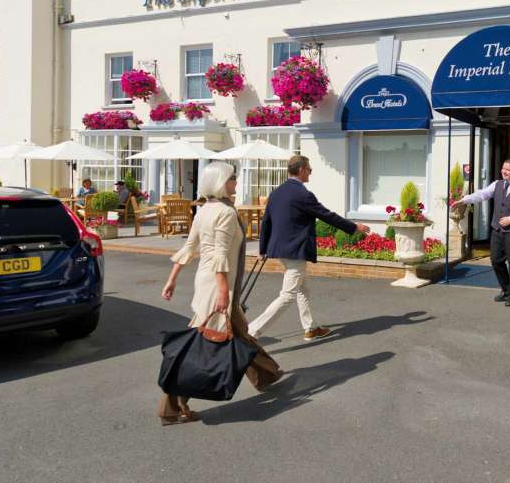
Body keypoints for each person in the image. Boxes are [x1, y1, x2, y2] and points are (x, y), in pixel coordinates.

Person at [159, 161, 282, 426]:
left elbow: (190, 246)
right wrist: (224, 293)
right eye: (232, 179)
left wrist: (172, 279)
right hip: (218, 285)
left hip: (209, 282)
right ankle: (171, 406)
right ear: (220, 182)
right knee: (201, 345)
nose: (235, 183)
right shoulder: (224, 213)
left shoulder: (204, 209)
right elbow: (218, 255)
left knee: (238, 332)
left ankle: (268, 374)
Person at [248, 155, 370, 341]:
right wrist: (354, 227)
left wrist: (262, 249)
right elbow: (327, 215)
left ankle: (310, 328)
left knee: (303, 289)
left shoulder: (276, 192)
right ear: (302, 170)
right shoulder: (303, 195)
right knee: (288, 295)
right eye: (310, 170)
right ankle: (251, 331)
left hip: (281, 250)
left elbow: (266, 222)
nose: (310, 174)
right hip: (296, 251)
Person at [454, 158, 510, 307]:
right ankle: (506, 289)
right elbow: (482, 194)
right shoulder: (497, 184)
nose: (504, 171)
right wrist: (464, 200)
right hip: (497, 230)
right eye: (503, 168)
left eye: (508, 170)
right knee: (496, 260)